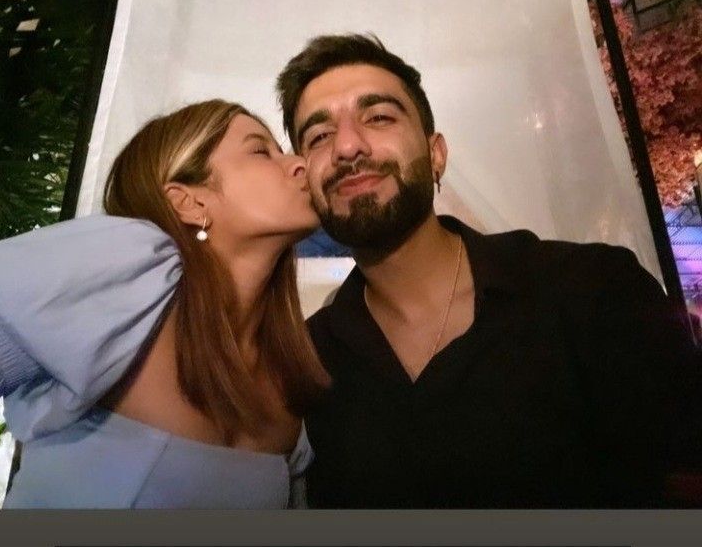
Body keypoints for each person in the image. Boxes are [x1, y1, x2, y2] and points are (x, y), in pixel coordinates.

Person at [276, 33, 702, 508]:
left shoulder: (592, 288)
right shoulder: (306, 363)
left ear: (436, 154)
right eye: (318, 136)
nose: (348, 146)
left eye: (378, 116)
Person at [0, 99, 329, 508]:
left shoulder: (290, 374)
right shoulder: (130, 263)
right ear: (189, 202)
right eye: (260, 150)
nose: (299, 164)